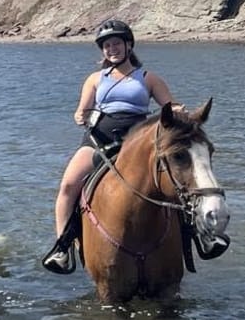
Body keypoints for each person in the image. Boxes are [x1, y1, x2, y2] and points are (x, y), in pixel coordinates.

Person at [41, 18, 178, 274]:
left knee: (174, 183)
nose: (111, 49)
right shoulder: (95, 79)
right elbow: (81, 110)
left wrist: (181, 111)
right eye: (106, 46)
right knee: (68, 185)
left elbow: (169, 105)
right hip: (100, 138)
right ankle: (63, 247)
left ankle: (201, 237)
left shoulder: (148, 78)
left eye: (116, 43)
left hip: (138, 140)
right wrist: (79, 116)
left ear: (129, 46)